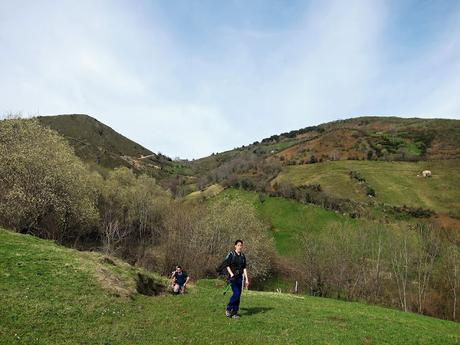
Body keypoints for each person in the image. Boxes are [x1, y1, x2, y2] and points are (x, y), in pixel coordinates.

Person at [225, 239, 249, 319]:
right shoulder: (231, 254)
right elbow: (227, 265)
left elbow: (244, 268)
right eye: (238, 245)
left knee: (238, 296)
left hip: (240, 278)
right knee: (236, 294)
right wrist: (231, 274)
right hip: (233, 278)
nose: (239, 247)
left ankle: (235, 312)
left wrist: (246, 279)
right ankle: (228, 309)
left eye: (241, 245)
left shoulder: (242, 256)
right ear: (235, 246)